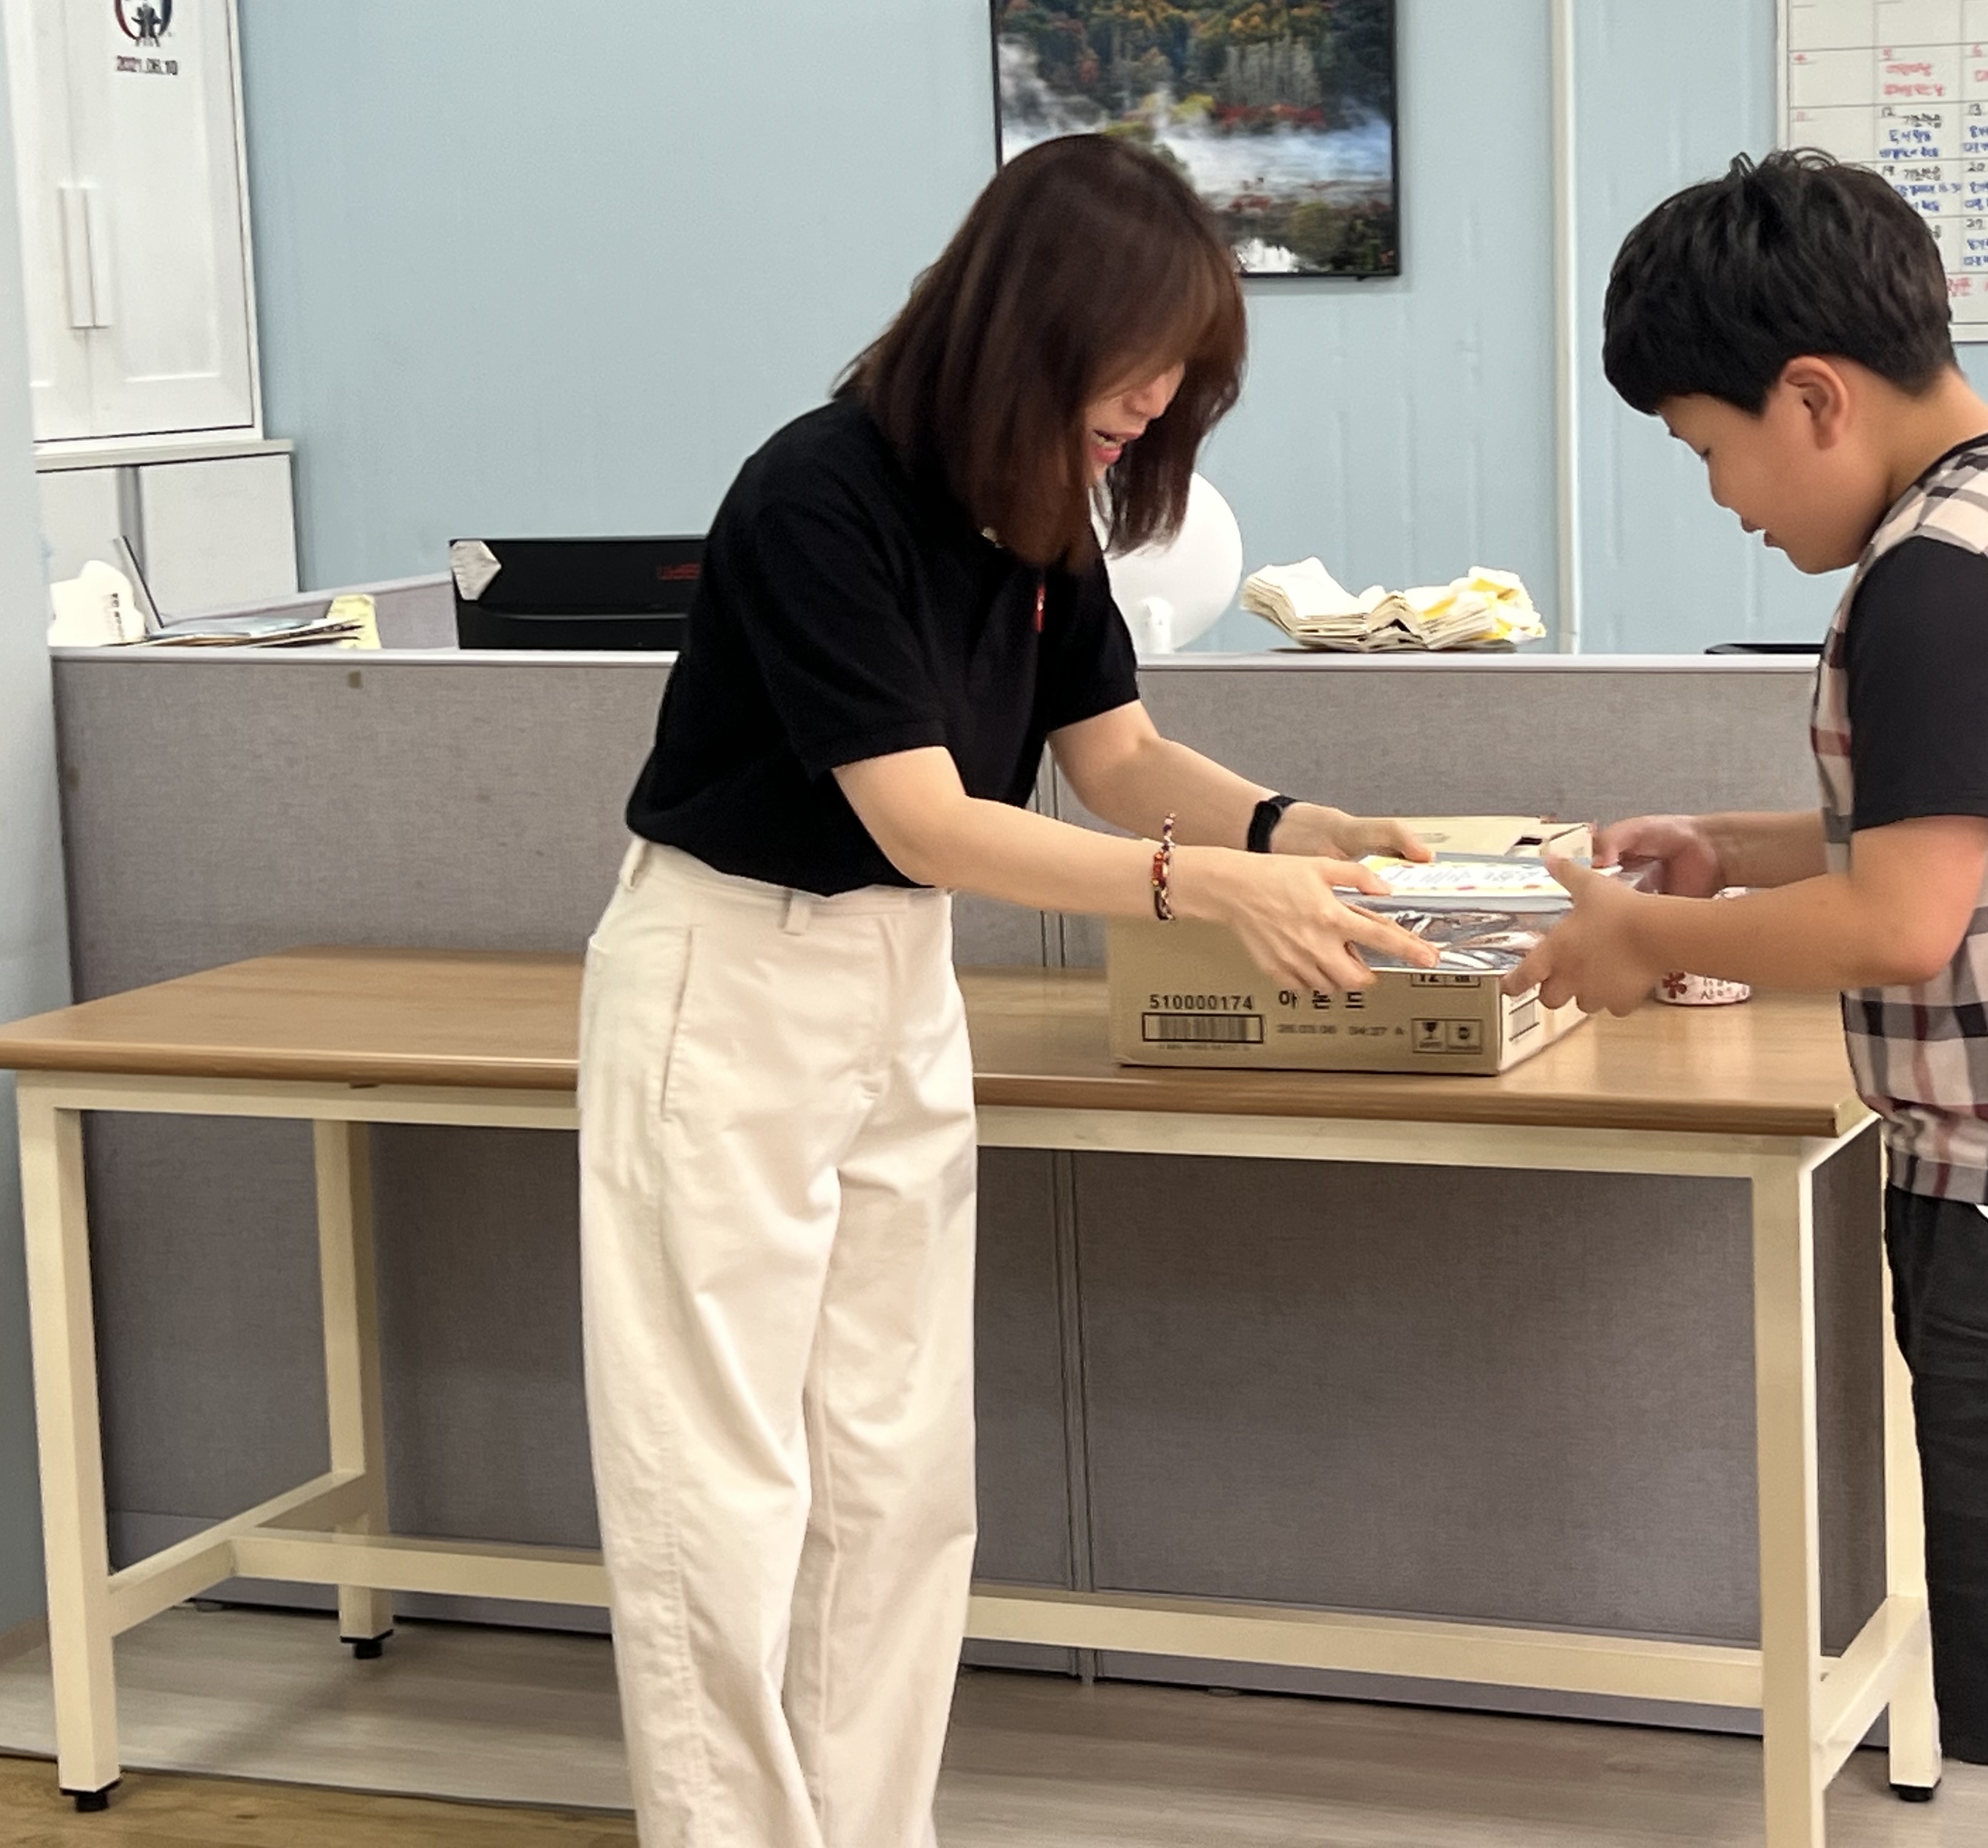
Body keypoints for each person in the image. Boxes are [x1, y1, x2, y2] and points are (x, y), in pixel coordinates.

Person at [577, 134, 1435, 1848]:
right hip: (729, 979)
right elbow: (925, 816)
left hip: (898, 980)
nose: (1154, 410)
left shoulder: (1040, 509)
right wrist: (1210, 889)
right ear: (1033, 325)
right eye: (1139, 372)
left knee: (898, 1473)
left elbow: (1118, 758)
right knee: (719, 1485)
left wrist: (1300, 829)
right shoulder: (818, 493)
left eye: (1177, 385)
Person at [1511, 150, 1988, 1848]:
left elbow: (1905, 920)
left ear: (1813, 396)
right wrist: (1728, 851)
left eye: (1709, 449)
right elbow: (1978, 824)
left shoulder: (1935, 582)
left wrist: (1644, 941)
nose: (1724, 499)